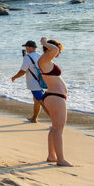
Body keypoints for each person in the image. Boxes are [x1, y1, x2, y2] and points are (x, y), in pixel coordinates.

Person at [37, 37, 71, 167]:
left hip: (54, 97)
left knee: (54, 128)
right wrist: (44, 43)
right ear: (49, 49)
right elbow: (55, 49)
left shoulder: (46, 61)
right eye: (59, 50)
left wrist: (47, 45)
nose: (59, 53)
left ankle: (52, 156)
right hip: (55, 97)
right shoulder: (43, 60)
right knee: (58, 130)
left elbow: (55, 50)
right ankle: (60, 160)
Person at [9, 40, 48, 123]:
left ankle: (55, 120)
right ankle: (34, 118)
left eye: (26, 47)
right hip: (41, 81)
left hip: (34, 83)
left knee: (42, 101)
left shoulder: (27, 57)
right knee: (36, 100)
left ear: (30, 48)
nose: (26, 49)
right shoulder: (40, 55)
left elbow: (23, 71)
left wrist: (15, 77)